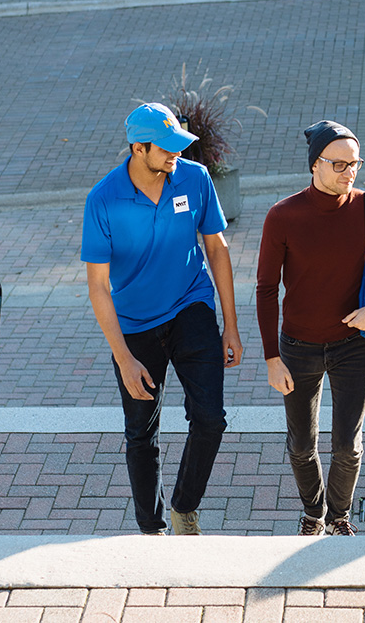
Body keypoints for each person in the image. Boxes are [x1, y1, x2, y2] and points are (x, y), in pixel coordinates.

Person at [82, 102, 241, 536]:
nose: (176, 154)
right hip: (135, 326)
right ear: (138, 148)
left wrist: (230, 323)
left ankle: (184, 507)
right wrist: (123, 358)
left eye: (179, 145)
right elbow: (98, 286)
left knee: (210, 419)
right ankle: (151, 530)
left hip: (191, 307)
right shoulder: (104, 200)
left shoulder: (195, 178)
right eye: (166, 148)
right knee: (141, 432)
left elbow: (217, 249)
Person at [256, 120, 365, 537]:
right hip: (297, 347)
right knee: (302, 446)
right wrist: (272, 358)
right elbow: (266, 289)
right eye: (339, 164)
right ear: (315, 165)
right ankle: (313, 514)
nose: (349, 172)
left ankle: (340, 516)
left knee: (347, 445)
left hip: (352, 345)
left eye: (354, 164)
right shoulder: (283, 216)